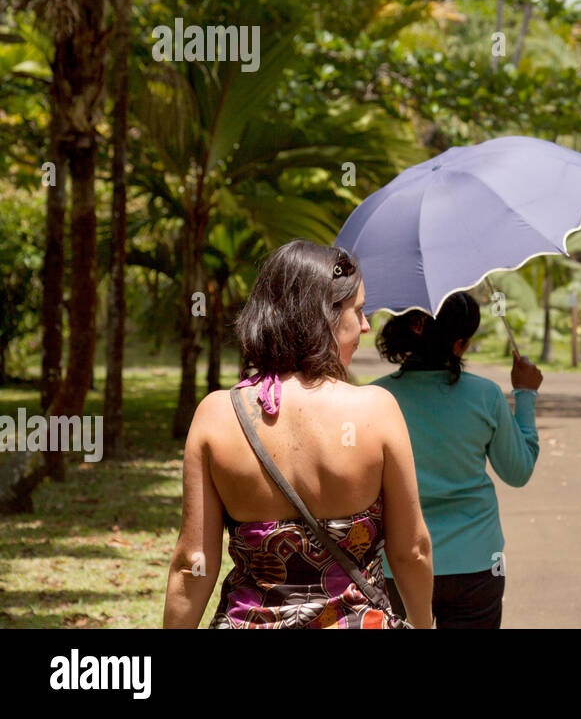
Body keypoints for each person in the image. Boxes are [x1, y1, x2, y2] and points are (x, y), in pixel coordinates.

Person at [164, 240, 433, 628]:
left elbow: (192, 563)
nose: (365, 325)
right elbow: (412, 552)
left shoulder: (218, 415)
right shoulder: (376, 410)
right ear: (323, 315)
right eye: (357, 311)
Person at [372, 291, 542, 629]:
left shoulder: (375, 399)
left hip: (397, 561)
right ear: (460, 344)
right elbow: (518, 471)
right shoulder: (485, 396)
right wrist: (525, 394)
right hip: (478, 561)